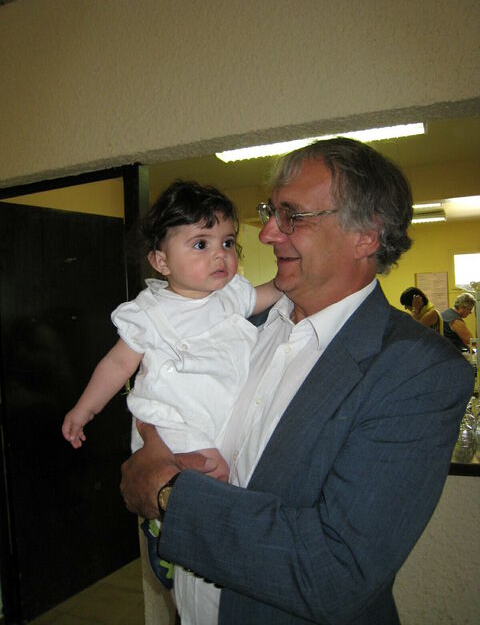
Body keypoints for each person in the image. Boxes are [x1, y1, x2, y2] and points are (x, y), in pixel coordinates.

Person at [120, 138, 474, 625]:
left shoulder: (418, 370)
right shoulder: (232, 325)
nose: (267, 233)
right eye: (272, 212)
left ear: (366, 236)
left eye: (292, 216)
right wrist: (152, 439)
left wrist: (168, 495)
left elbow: (335, 571)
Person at [62, 180, 281, 585]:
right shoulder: (149, 313)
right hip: (174, 422)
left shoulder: (231, 296)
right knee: (208, 478)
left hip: (217, 417)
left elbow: (271, 293)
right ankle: (164, 533)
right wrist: (85, 409)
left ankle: (182, 535)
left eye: (227, 242)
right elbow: (117, 364)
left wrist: (294, 281)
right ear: (161, 262)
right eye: (201, 244)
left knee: (229, 477)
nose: (220, 254)